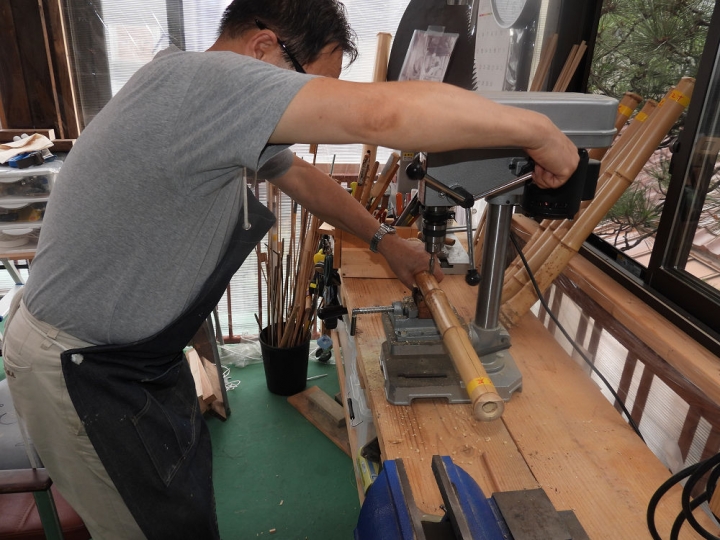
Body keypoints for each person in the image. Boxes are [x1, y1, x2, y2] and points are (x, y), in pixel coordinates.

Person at [2, 0, 579, 538]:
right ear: (262, 47)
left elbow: (298, 175)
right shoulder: (207, 82)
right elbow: (381, 115)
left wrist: (385, 242)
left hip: (129, 356)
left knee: (181, 510)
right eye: (307, 84)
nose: (308, 103)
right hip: (84, 368)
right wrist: (540, 132)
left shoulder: (194, 91)